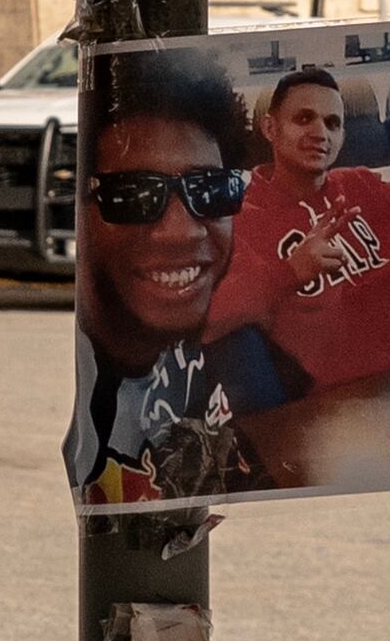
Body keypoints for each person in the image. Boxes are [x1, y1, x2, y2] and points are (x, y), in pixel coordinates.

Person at [206, 68, 390, 391]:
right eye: (303, 119)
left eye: (332, 123)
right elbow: (210, 317)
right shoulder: (241, 220)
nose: (320, 133)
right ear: (270, 127)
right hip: (358, 392)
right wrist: (291, 272)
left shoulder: (359, 183)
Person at [72, 77, 262, 498]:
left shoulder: (236, 351)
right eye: (134, 196)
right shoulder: (99, 399)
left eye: (210, 190)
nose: (178, 232)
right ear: (79, 214)